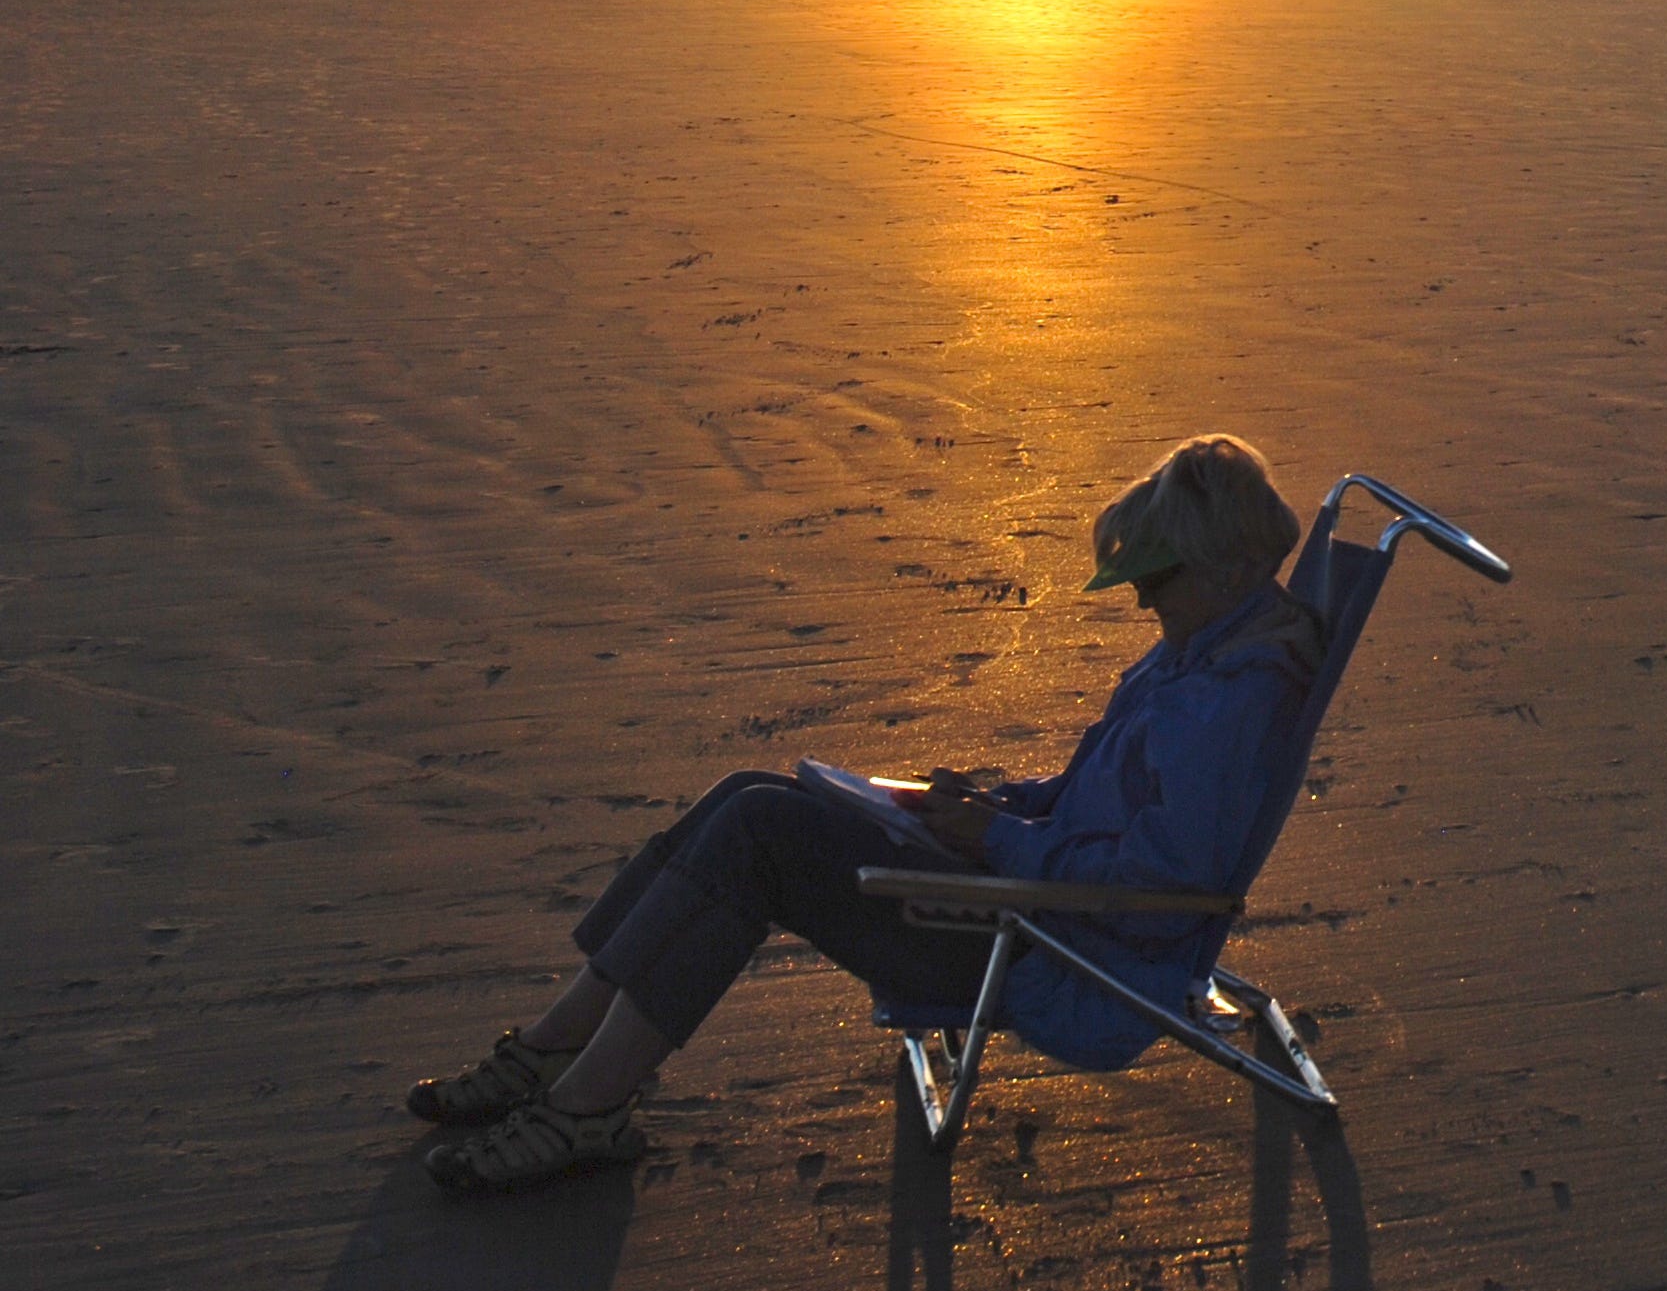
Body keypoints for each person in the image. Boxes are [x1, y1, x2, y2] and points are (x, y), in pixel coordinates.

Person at [411, 433, 1326, 1194]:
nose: (1140, 596)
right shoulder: (1200, 652)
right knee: (747, 792)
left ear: (1231, 566)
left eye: (1158, 576)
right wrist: (992, 806)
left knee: (760, 833)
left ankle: (587, 1105)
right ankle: (556, 1046)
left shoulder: (1225, 706)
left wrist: (998, 839)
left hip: (1051, 955)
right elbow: (1096, 797)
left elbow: (1158, 890)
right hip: (1029, 901)